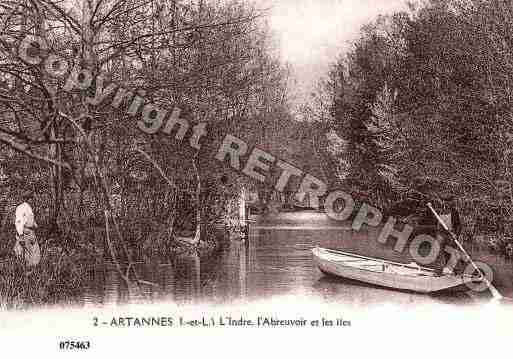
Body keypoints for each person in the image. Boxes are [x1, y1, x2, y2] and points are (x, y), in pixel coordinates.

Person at [13, 190, 41, 266]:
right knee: (26, 253)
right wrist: (21, 235)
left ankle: (32, 269)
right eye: (31, 198)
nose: (33, 200)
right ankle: (27, 269)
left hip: (31, 232)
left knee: (34, 252)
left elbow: (29, 220)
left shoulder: (29, 207)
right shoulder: (21, 207)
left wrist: (35, 225)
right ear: (28, 199)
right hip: (25, 232)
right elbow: (19, 222)